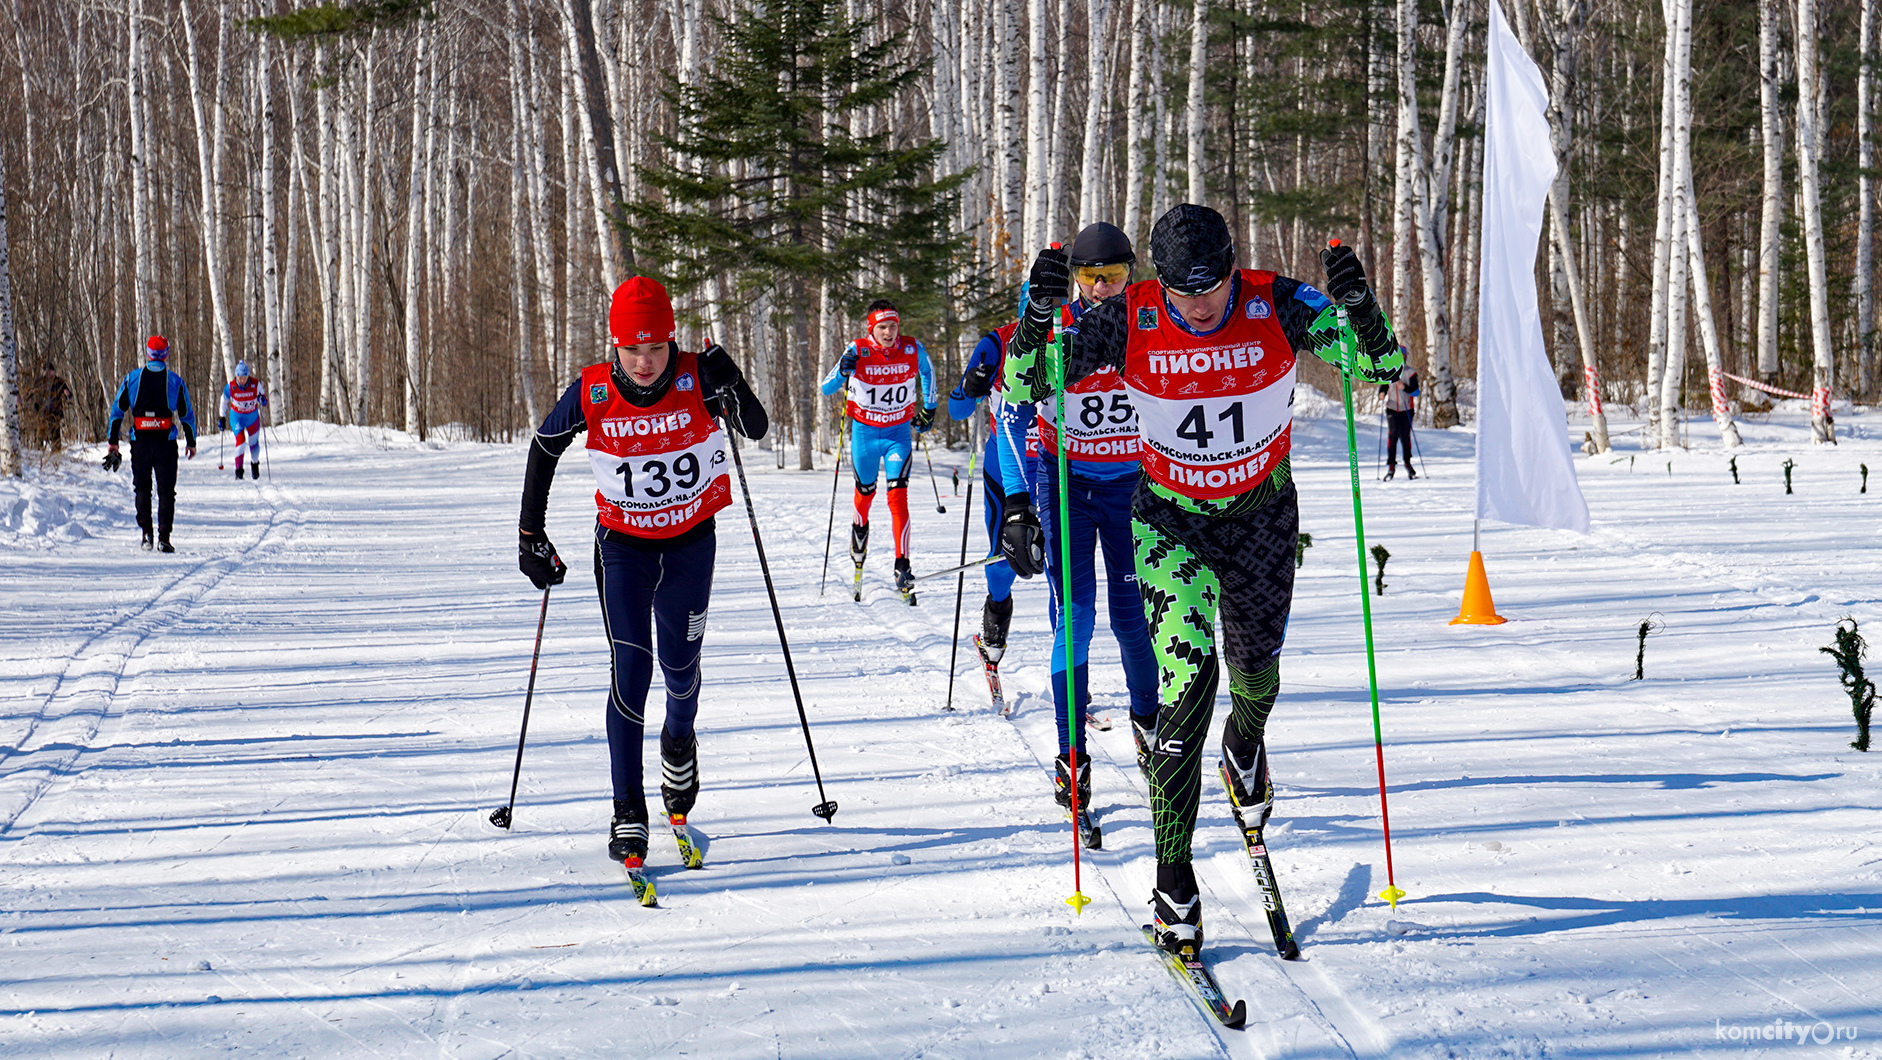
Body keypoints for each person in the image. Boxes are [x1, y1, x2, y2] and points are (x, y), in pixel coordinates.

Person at [1000, 204, 1402, 955]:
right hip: (1168, 522)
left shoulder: (1275, 301)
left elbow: (1376, 367)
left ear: (1232, 267)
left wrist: (1360, 308)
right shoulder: (1131, 315)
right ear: (1160, 282)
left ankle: (1245, 747)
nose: (1202, 306)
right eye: (1186, 295)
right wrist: (1035, 313)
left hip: (1259, 521)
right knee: (1188, 684)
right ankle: (1174, 880)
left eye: (1213, 288)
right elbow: (1028, 382)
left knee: (1256, 676)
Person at [516, 277, 769, 868]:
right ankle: (628, 808)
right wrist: (531, 535)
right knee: (632, 666)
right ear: (616, 346)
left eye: (656, 348)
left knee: (681, 671)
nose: (647, 362)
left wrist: (732, 380)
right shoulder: (594, 391)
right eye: (634, 350)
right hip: (623, 547)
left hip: (690, 544)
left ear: (671, 340)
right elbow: (542, 448)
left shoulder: (697, 374)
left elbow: (755, 429)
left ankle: (679, 739)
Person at [991, 222, 1159, 824]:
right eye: (1091, 277)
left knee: (1134, 616)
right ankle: (1072, 753)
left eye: (1115, 276)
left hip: (1135, 486)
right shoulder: (1052, 327)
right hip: (1066, 484)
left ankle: (1148, 725)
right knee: (1077, 616)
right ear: (1075, 280)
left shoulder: (1150, 321)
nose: (1104, 288)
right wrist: (1017, 502)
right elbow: (1008, 415)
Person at [949, 302, 1042, 703]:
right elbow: (957, 409)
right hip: (1007, 467)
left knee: (1065, 569)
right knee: (1003, 562)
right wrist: (971, 385)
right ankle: (994, 633)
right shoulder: (996, 342)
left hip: (1061, 466)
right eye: (1035, 313)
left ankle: (1075, 676)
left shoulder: (1079, 334)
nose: (1044, 322)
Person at [820, 299, 938, 602]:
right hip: (866, 435)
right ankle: (859, 535)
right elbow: (826, 387)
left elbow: (928, 373)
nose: (889, 333)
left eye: (893, 326)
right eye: (882, 327)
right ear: (871, 328)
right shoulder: (858, 349)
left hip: (898, 433)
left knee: (897, 496)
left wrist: (930, 407)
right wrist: (843, 371)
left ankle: (902, 564)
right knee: (866, 494)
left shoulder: (911, 349)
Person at [105, 336, 199, 552]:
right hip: (165, 443)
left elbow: (117, 411)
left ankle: (146, 534)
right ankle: (164, 538)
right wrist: (191, 442)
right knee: (166, 492)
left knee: (142, 489)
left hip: (141, 444)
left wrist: (113, 441)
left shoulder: (132, 379)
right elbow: (186, 415)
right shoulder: (175, 381)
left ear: (148, 354)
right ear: (166, 354)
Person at [219, 361, 270, 480]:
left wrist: (262, 400)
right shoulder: (231, 386)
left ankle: (255, 466)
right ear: (236, 376)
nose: (242, 380)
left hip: (252, 418)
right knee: (241, 441)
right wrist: (222, 417)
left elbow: (264, 399)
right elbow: (224, 400)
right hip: (237, 418)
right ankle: (239, 471)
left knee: (254, 444)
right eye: (240, 378)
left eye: (245, 378)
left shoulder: (255, 384)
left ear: (248, 376)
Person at [1381, 358, 1419, 480]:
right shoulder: (1388, 371)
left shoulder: (1410, 372)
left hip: (1406, 409)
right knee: (1392, 435)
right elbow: (1384, 386)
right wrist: (1382, 393)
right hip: (1392, 408)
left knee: (1405, 436)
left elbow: (1416, 391)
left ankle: (1407, 463)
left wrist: (1404, 387)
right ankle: (1391, 465)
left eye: (1402, 357)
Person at [29, 364, 72, 450]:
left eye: (50, 371)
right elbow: (32, 395)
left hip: (55, 412)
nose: (48, 373)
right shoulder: (39, 382)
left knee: (55, 433)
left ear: (53, 371)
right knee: (40, 432)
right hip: (42, 412)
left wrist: (67, 393)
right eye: (46, 371)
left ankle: (56, 453)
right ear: (44, 372)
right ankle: (39, 452)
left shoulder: (59, 381)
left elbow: (69, 395)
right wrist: (34, 407)